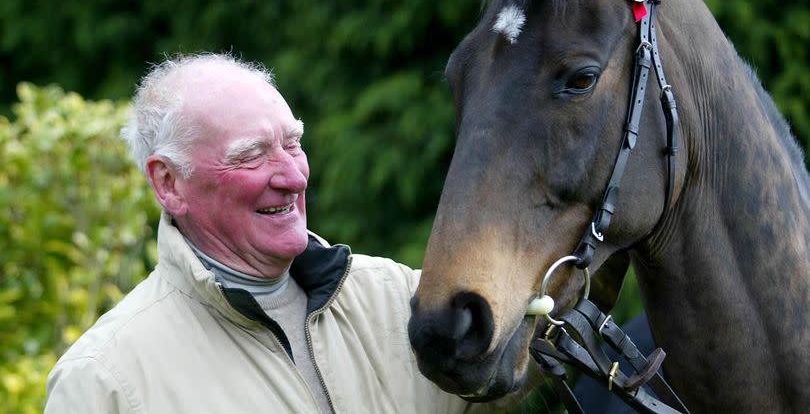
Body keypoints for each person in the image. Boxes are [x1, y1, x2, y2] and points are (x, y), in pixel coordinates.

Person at [45, 52, 520, 413]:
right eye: (251, 154)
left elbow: (538, 366)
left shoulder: (399, 296)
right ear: (169, 183)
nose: (293, 176)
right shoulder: (103, 381)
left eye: (293, 143)